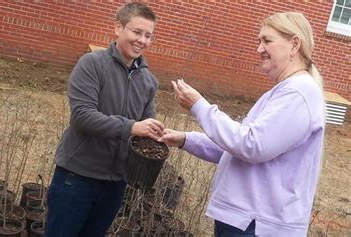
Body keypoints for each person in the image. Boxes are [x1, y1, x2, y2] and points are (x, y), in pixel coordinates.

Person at [159, 12, 325, 236]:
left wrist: (199, 106)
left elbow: (251, 146)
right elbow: (235, 148)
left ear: (294, 44)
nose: (259, 49)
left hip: (258, 225)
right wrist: (185, 139)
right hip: (247, 221)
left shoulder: (298, 93)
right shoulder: (284, 91)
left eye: (267, 40)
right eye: (259, 41)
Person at [45, 3, 164, 236]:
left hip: (115, 183)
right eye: (137, 32)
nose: (142, 40)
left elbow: (145, 128)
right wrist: (133, 127)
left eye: (148, 35)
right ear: (118, 28)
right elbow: (83, 116)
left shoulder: (149, 81)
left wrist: (157, 135)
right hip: (77, 178)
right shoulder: (92, 64)